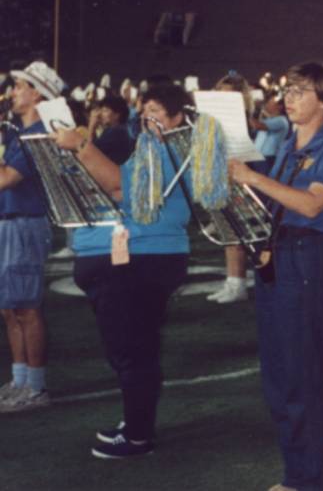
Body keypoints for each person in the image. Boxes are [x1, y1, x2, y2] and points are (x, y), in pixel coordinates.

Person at [50, 83, 204, 458]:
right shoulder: (155, 149)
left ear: (177, 118)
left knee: (131, 348)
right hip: (138, 255)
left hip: (139, 257)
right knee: (137, 345)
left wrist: (81, 146)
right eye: (144, 111)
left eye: (155, 112)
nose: (146, 118)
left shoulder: (166, 149)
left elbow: (119, 185)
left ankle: (137, 435)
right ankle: (137, 422)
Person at [229, 62, 323, 491]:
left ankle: (308, 479)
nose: (289, 99)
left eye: (299, 91)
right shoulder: (287, 143)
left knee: (302, 378)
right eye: (288, 90)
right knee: (280, 378)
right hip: (276, 258)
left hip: (304, 260)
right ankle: (296, 474)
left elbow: (313, 205)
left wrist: (254, 178)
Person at [0, 61, 64, 413]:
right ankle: (20, 379)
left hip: (25, 223)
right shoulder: (18, 134)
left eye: (19, 86)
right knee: (10, 309)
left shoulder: (37, 134)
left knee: (26, 307)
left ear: (37, 92)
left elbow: (5, 179)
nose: (12, 92)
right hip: (10, 221)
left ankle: (36, 387)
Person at [207, 72, 257, 304]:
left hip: (237, 180)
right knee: (228, 234)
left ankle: (238, 285)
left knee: (237, 234)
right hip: (220, 178)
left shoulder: (242, 120)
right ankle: (232, 282)